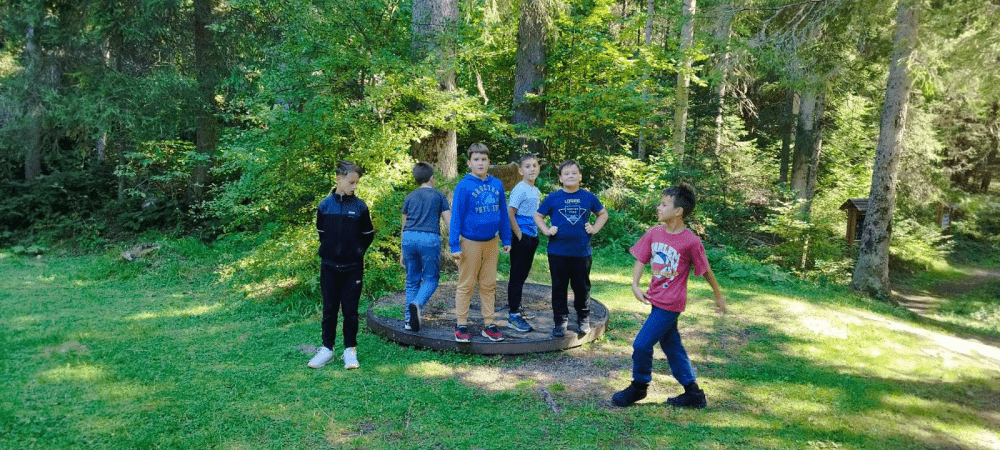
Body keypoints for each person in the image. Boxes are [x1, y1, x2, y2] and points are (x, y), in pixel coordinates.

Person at [612, 184, 727, 408]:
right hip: (656, 299)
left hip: (671, 303)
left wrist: (718, 294)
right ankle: (693, 393)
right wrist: (635, 284)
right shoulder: (654, 233)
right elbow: (641, 257)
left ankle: (639, 386)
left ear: (678, 211)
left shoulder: (690, 241)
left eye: (664, 204)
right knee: (672, 346)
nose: (659, 207)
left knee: (641, 344)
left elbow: (705, 269)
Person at [308, 161, 376, 370]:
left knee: (350, 310)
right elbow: (322, 235)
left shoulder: (360, 207)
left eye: (357, 183)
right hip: (329, 267)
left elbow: (367, 235)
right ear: (338, 178)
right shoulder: (324, 206)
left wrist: (356, 253)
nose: (354, 186)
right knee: (329, 309)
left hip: (352, 268)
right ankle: (327, 349)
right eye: (351, 182)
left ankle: (350, 350)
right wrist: (332, 252)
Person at [533, 160, 608, 338]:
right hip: (557, 252)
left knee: (581, 287)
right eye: (566, 173)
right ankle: (560, 322)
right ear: (560, 178)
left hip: (581, 252)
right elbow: (538, 215)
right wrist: (546, 230)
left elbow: (603, 214)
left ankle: (583, 318)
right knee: (559, 287)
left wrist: (594, 228)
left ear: (580, 176)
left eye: (574, 173)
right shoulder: (553, 198)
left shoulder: (588, 197)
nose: (570, 176)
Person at [449, 143, 513, 342]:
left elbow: (503, 213)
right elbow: (456, 217)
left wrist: (506, 237)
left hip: (492, 242)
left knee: (488, 284)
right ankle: (461, 324)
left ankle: (489, 324)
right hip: (470, 243)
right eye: (476, 159)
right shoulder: (464, 186)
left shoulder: (496, 184)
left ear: (489, 162)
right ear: (469, 163)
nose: (480, 163)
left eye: (484, 159)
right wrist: (454, 245)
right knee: (466, 285)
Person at [400, 162, 451, 332]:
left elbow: (404, 226)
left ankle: (409, 320)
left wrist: (402, 252)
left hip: (409, 238)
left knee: (411, 280)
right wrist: (457, 244)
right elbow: (449, 222)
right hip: (429, 238)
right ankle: (417, 303)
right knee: (431, 278)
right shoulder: (439, 196)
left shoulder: (409, 197)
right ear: (432, 178)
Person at [506, 154, 542, 333]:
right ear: (520, 171)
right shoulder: (520, 189)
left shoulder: (535, 190)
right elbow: (510, 212)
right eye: (527, 166)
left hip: (532, 236)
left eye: (534, 165)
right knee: (517, 275)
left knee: (523, 275)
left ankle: (517, 307)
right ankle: (513, 316)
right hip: (522, 237)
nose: (532, 169)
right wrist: (519, 235)